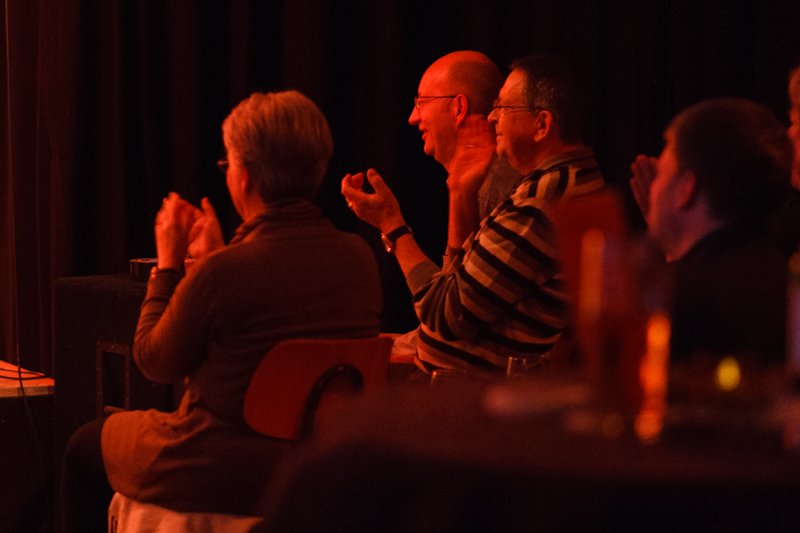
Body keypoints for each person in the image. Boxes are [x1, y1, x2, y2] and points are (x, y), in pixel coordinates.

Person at [60, 90, 382, 531]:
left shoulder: (224, 272)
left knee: (83, 445)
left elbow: (155, 360)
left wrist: (168, 266)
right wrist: (219, 256)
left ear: (243, 178)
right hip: (315, 458)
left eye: (227, 164)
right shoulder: (358, 257)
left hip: (217, 466)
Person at [342, 55, 604, 374]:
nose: (492, 118)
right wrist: (460, 195)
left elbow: (447, 315)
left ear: (542, 125)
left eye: (503, 107)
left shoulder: (533, 204)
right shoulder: (562, 183)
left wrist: (393, 227)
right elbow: (463, 290)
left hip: (473, 395)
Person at [630, 97, 792, 363]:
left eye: (661, 175)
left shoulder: (677, 307)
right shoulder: (787, 290)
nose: (653, 190)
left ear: (685, 189)